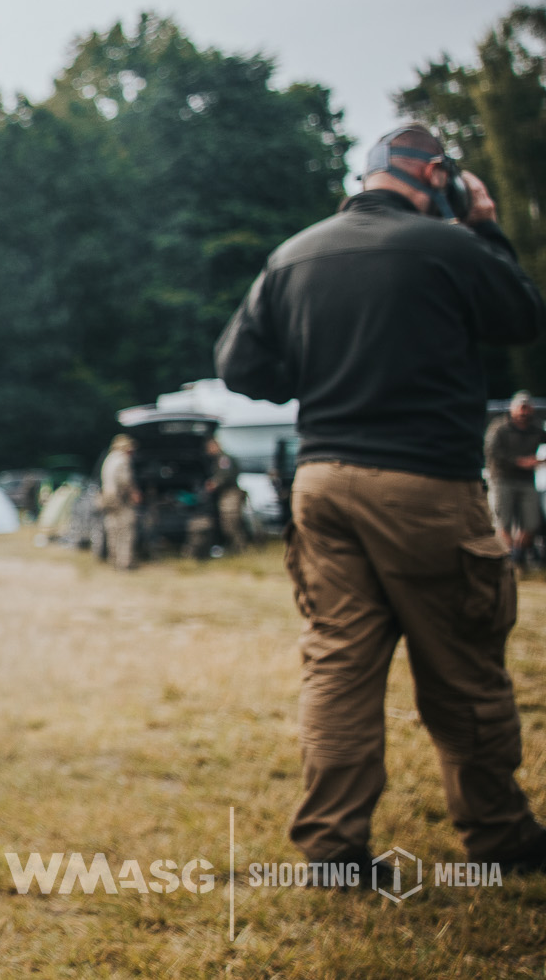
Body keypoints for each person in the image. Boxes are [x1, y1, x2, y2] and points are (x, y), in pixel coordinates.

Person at [216, 123, 546, 878]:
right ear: (436, 174)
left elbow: (238, 365)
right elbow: (523, 317)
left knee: (338, 666)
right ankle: (500, 838)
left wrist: (320, 373)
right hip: (423, 482)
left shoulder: (295, 253)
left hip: (323, 480)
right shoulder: (453, 246)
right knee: (463, 665)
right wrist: (487, 226)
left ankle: (333, 849)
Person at [485, 392, 542, 568]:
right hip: (502, 479)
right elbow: (491, 452)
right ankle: (509, 561)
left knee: (531, 522)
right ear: (513, 408)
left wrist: (539, 461)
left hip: (526, 480)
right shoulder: (500, 428)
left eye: (527, 407)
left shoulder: (536, 430)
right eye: (521, 407)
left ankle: (516, 556)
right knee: (504, 521)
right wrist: (519, 461)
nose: (524, 411)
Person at [99, 435, 140, 570]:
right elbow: (124, 481)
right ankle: (124, 563)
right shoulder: (123, 460)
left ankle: (114, 559)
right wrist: (133, 494)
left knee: (112, 529)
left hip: (108, 498)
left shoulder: (109, 458)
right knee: (125, 531)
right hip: (120, 500)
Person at [204, 438, 250, 552]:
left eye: (209, 447)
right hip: (225, 494)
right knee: (227, 523)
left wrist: (215, 483)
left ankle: (239, 548)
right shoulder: (217, 459)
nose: (208, 450)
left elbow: (225, 474)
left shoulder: (223, 458)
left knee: (231, 522)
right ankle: (234, 547)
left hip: (230, 493)